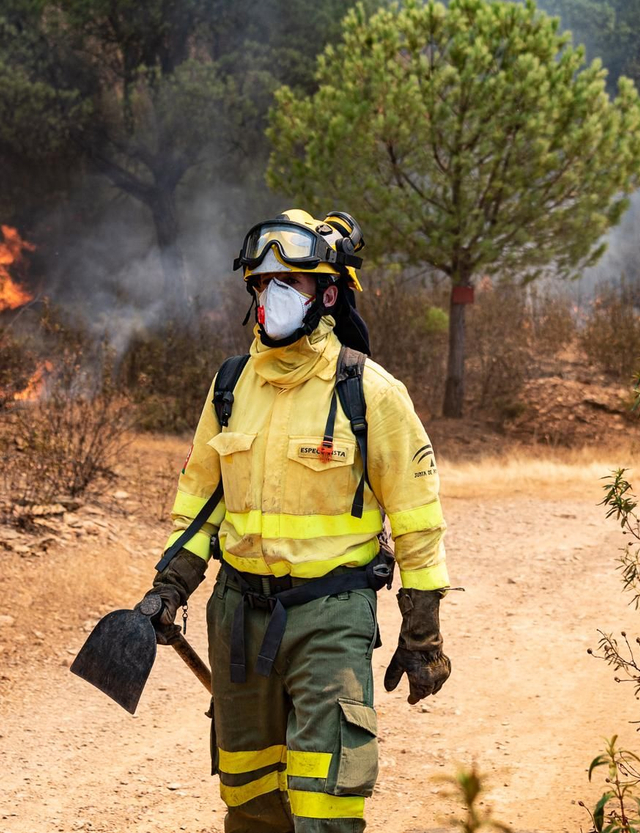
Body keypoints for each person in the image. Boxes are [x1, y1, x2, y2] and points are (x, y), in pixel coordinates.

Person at [142, 209, 451, 833]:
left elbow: (417, 522)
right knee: (251, 802)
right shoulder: (229, 386)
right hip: (237, 620)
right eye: (261, 283)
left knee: (324, 803)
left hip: (329, 618)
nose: (272, 296)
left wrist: (422, 633)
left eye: (291, 283)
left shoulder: (372, 393)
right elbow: (199, 503)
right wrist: (168, 587)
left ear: (328, 294)